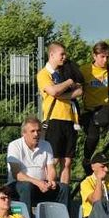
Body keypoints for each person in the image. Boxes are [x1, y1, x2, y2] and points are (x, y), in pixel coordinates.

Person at [79, 41, 109, 178]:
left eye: (108, 57)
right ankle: (87, 160)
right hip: (90, 110)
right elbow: (76, 90)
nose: (105, 60)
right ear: (94, 56)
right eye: (102, 57)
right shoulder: (85, 70)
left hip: (107, 108)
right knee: (93, 137)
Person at [38, 42, 82, 188]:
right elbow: (53, 91)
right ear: (52, 55)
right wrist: (69, 83)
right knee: (53, 159)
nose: (64, 57)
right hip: (54, 119)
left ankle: (64, 193)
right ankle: (47, 187)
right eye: (61, 54)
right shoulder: (44, 74)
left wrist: (64, 94)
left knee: (67, 161)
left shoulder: (66, 71)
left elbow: (80, 91)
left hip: (70, 119)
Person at [7, 116, 67, 208]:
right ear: (24, 133)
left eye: (39, 131)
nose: (36, 134)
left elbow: (51, 169)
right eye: (33, 131)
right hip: (19, 185)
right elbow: (17, 174)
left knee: (64, 188)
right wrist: (37, 182)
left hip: (42, 185)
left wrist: (51, 181)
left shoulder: (46, 145)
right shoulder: (14, 145)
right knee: (27, 187)